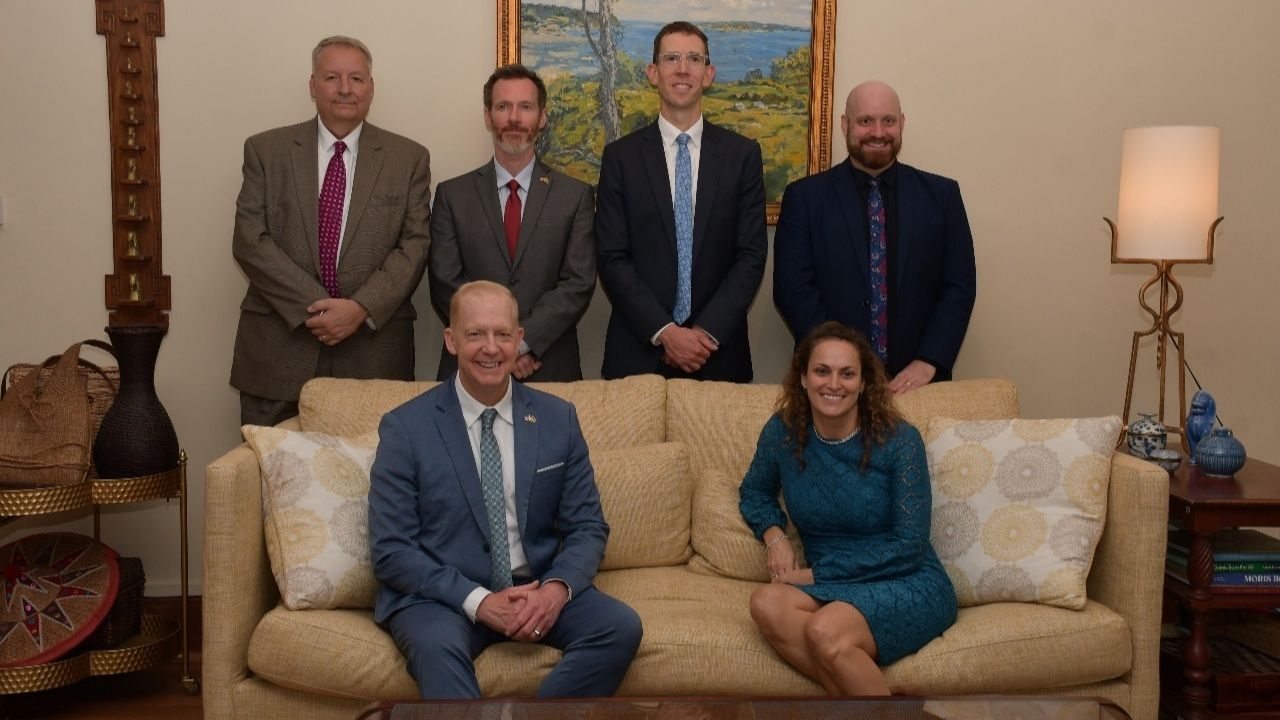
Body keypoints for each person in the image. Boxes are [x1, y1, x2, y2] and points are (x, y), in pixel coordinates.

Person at [368, 281, 641, 698]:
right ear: (451, 340)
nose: (490, 348)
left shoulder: (558, 419)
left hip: (535, 588)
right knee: (436, 649)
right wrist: (479, 601)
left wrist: (554, 592)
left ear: (519, 339)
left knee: (619, 628)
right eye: (475, 334)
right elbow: (391, 550)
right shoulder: (406, 427)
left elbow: (587, 527)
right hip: (445, 598)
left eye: (502, 334)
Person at [738, 321, 956, 695]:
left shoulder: (900, 441)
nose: (834, 384)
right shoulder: (783, 432)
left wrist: (817, 574)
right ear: (803, 378)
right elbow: (754, 492)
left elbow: (909, 545)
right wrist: (775, 537)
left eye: (847, 373)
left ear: (864, 382)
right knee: (766, 604)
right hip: (832, 584)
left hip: (904, 578)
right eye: (822, 371)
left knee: (824, 631)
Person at [230, 36, 431, 426]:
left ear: (370, 87)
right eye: (331, 77)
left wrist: (359, 309)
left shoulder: (409, 159)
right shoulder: (265, 151)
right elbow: (249, 240)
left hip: (373, 354)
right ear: (312, 85)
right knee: (268, 464)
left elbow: (415, 246)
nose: (344, 88)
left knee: (372, 464)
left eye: (356, 78)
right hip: (278, 351)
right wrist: (319, 307)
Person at [773, 81, 976, 394]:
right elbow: (792, 289)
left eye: (888, 121)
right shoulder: (805, 198)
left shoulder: (942, 196)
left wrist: (929, 360)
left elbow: (959, 287)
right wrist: (841, 366)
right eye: (865, 121)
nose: (878, 132)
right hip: (831, 385)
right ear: (846, 125)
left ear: (902, 123)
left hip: (920, 384)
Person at [595, 21, 767, 382]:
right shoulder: (620, 158)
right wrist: (665, 332)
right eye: (671, 58)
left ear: (709, 74)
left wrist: (705, 333)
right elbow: (612, 257)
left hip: (718, 354)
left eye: (694, 59)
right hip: (638, 353)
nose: (683, 69)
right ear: (653, 73)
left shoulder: (742, 156)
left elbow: (750, 256)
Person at [428, 64, 596, 382]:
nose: (514, 118)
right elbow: (444, 281)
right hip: (471, 367)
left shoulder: (575, 196)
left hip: (549, 364)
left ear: (542, 117)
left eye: (526, 107)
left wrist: (524, 344)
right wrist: (495, 345)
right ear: (488, 117)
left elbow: (578, 283)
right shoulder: (452, 195)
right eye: (503, 107)